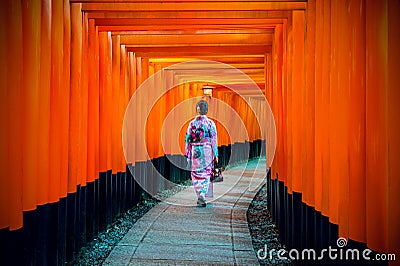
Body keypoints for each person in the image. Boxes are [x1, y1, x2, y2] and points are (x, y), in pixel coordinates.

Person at [185, 100, 218, 207]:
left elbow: (188, 139)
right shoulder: (210, 123)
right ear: (207, 110)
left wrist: (187, 153)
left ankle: (199, 193)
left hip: (196, 150)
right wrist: (216, 154)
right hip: (207, 150)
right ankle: (203, 193)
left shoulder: (192, 124)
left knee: (196, 172)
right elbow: (214, 139)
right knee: (207, 171)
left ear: (197, 110)